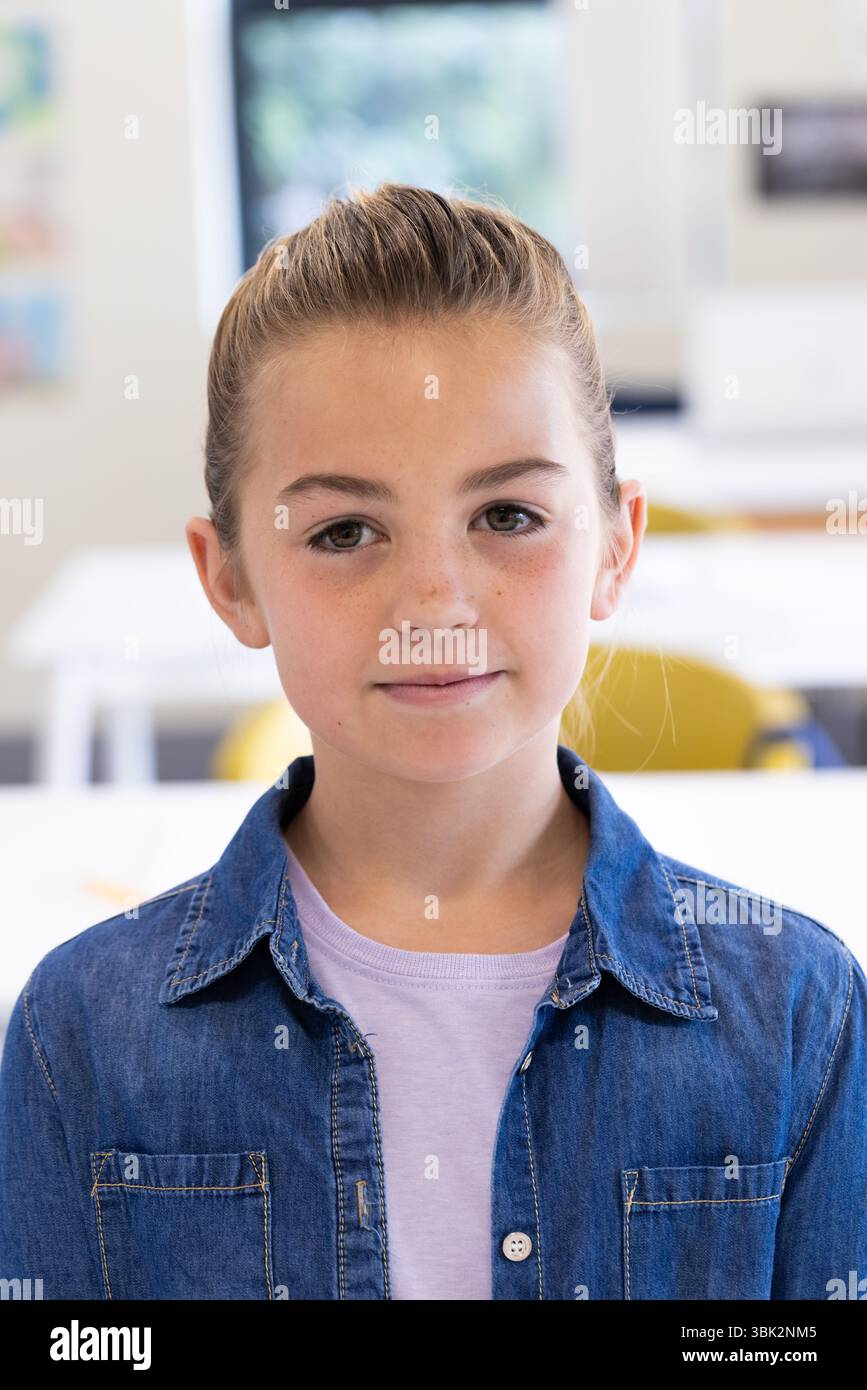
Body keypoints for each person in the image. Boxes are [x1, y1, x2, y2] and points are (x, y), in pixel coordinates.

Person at [1, 184, 864, 1301]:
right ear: (230, 576)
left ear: (616, 543)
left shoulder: (801, 1018)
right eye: (344, 530)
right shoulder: (81, 1038)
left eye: (506, 515)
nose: (434, 598)